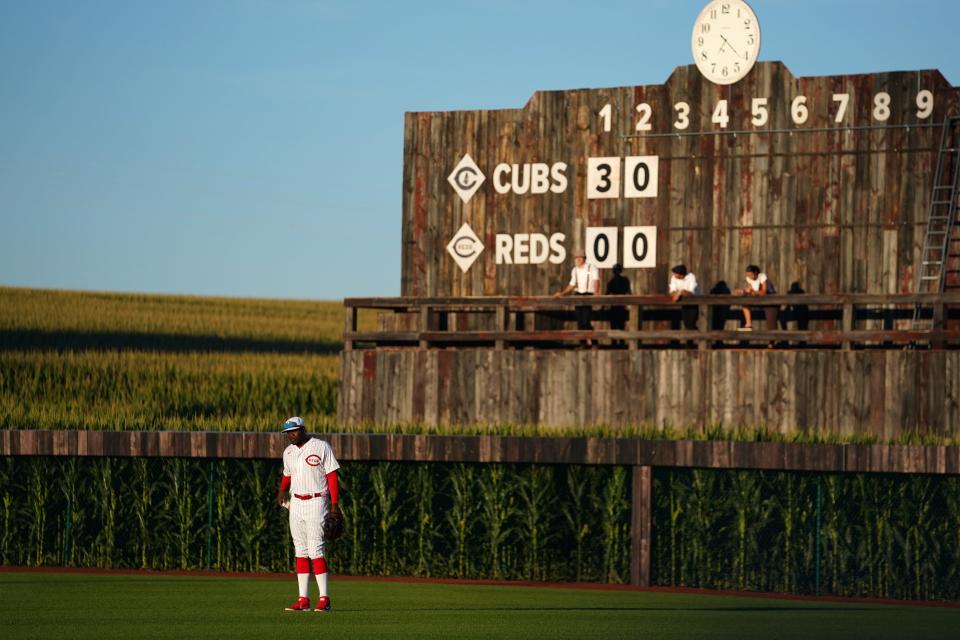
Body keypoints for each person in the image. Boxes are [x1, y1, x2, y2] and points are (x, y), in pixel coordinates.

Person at [276, 416, 341, 612]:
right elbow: (287, 475)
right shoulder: (288, 452)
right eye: (288, 432)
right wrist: (281, 490)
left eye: (294, 431)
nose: (290, 435)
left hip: (316, 501)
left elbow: (331, 475)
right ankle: (303, 599)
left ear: (303, 429)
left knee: (316, 551)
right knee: (300, 551)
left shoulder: (321, 447)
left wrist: (334, 504)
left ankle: (324, 599)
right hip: (295, 503)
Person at [554, 250, 600, 345]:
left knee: (586, 321)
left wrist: (596, 292)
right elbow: (572, 284)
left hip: (588, 295)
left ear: (584, 259)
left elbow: (596, 280)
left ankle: (594, 342)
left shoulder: (592, 268)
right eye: (576, 258)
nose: (577, 260)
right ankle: (583, 343)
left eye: (580, 258)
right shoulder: (575, 270)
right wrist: (562, 293)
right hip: (578, 295)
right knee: (580, 321)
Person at [734, 265, 777, 331]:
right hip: (759, 300)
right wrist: (743, 291)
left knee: (771, 326)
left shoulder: (762, 277)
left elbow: (764, 291)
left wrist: (755, 292)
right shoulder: (749, 279)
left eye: (751, 275)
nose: (749, 277)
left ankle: (773, 340)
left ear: (756, 272)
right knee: (744, 303)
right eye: (748, 275)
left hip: (770, 300)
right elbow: (749, 289)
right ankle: (748, 324)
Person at [668, 264, 700, 331]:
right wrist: (675, 294)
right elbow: (672, 290)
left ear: (681, 275)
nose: (674, 276)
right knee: (686, 323)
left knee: (691, 323)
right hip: (684, 302)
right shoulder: (674, 277)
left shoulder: (691, 277)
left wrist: (679, 293)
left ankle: (694, 338)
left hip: (693, 302)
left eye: (676, 274)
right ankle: (691, 339)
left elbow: (690, 292)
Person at [606, 263, 631, 338]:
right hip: (621, 306)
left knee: (614, 326)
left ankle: (614, 343)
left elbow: (607, 294)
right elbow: (629, 292)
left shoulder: (611, 282)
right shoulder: (624, 280)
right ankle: (621, 343)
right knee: (620, 325)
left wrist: (603, 307)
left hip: (614, 306)